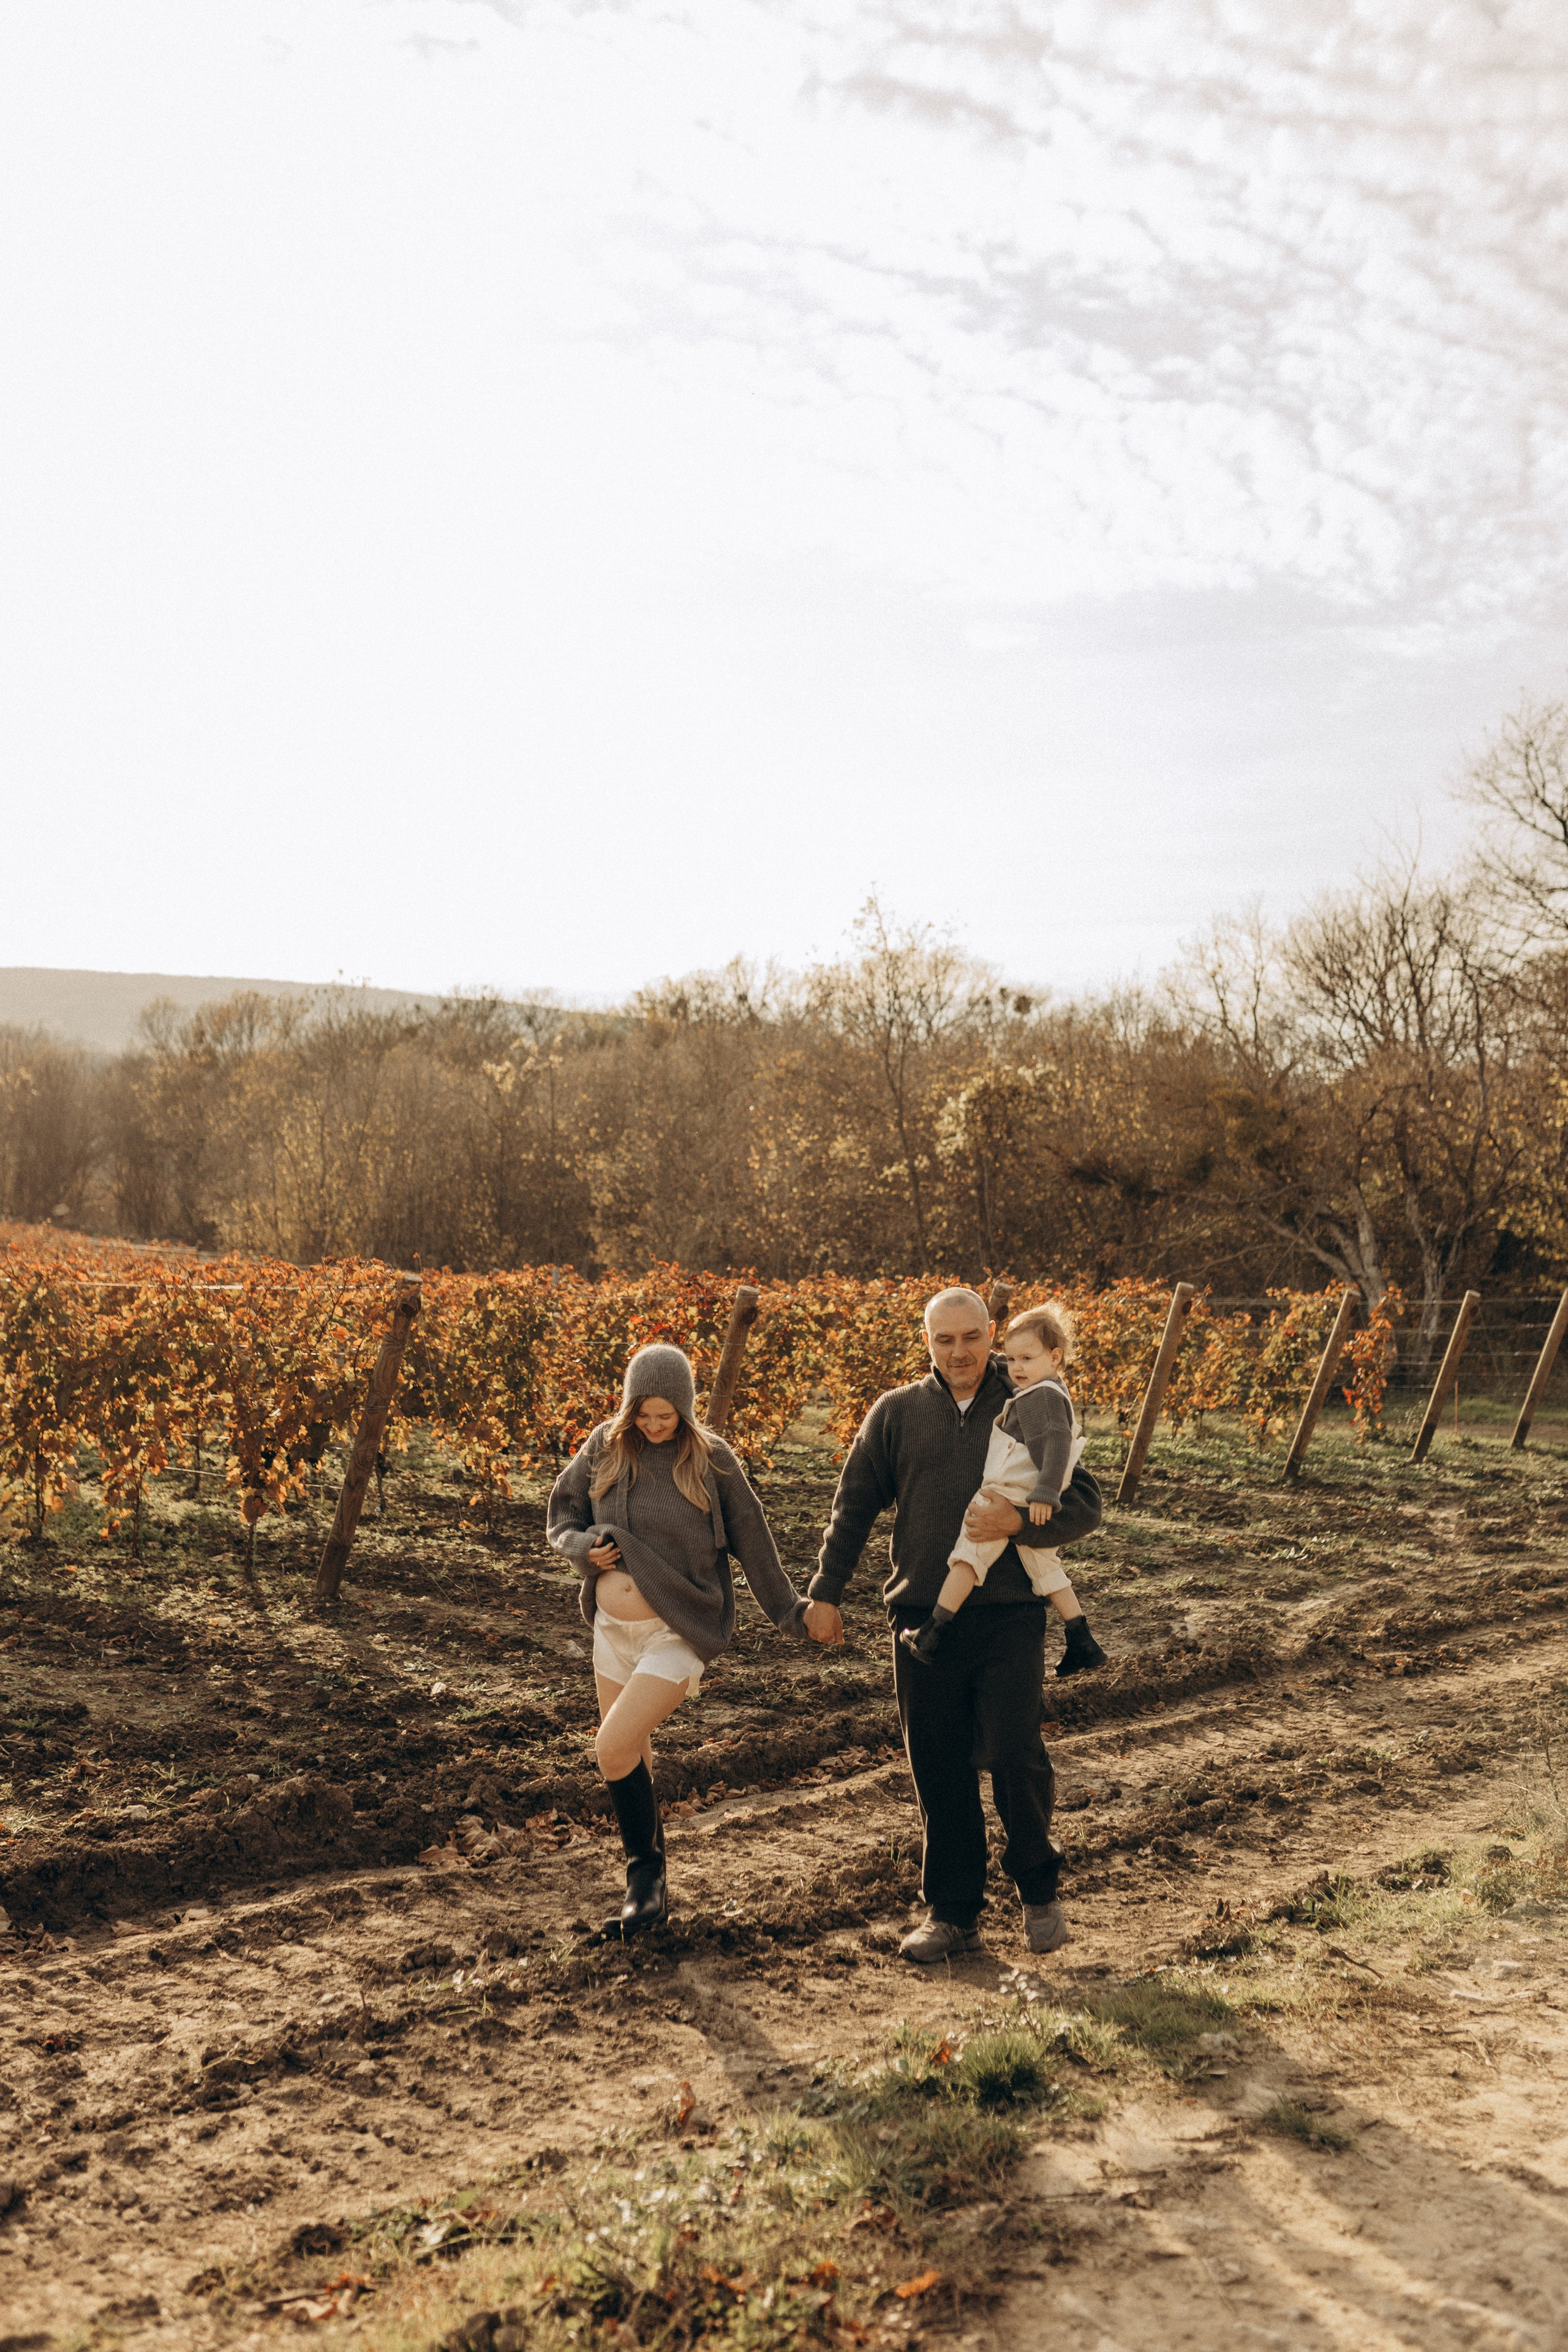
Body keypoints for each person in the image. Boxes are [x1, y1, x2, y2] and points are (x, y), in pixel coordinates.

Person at [803, 1288, 1103, 1964]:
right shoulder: (897, 1413)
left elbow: (1085, 1504)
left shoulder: (1031, 1399)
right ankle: (952, 1914)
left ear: (991, 1334)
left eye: (971, 1337)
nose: (959, 1352)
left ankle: (1037, 1888)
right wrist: (825, 1592)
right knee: (936, 1767)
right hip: (920, 1615)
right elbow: (851, 1508)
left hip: (1008, 1615)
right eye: (944, 1340)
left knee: (1011, 1754)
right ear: (927, 1342)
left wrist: (1018, 1520)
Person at [548, 1342, 826, 1940]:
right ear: (629, 1408)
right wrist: (581, 1549)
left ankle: (644, 1879)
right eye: (643, 1414)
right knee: (634, 1755)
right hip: (610, 1630)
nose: (653, 1425)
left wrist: (790, 1612)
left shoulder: (710, 1460)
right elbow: (562, 1515)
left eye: (665, 1415)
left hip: (676, 1632)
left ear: (685, 1408)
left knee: (612, 1749)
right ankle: (648, 1895)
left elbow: (753, 1540)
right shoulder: (604, 1445)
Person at [899, 1302, 1106, 1677]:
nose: (1017, 1368)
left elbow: (1057, 1443)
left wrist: (1044, 1492)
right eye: (1011, 1360)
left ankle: (932, 1631)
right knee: (1045, 1568)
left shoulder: (1039, 1396)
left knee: (968, 1558)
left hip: (1008, 1491)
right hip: (1024, 1492)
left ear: (1055, 1357)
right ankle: (1082, 1639)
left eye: (1027, 1358)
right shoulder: (1051, 1388)